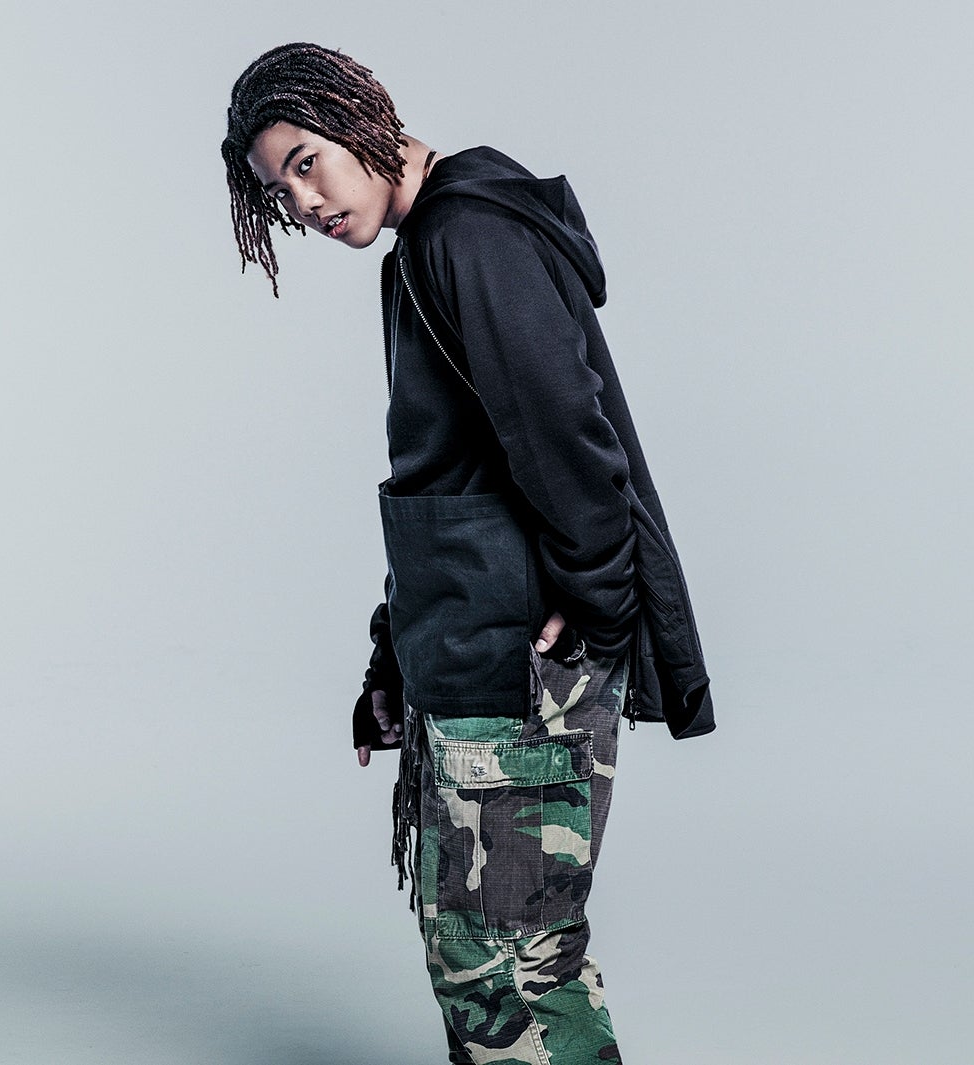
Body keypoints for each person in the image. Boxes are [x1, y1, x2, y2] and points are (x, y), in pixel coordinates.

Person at [223, 42, 714, 1065]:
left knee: (504, 955)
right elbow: (442, 477)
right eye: (279, 191)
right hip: (470, 641)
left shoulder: (468, 237)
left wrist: (590, 602)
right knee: (490, 953)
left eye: (307, 162)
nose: (303, 202)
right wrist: (394, 657)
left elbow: (565, 434)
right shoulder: (425, 251)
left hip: (516, 660)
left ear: (360, 119)